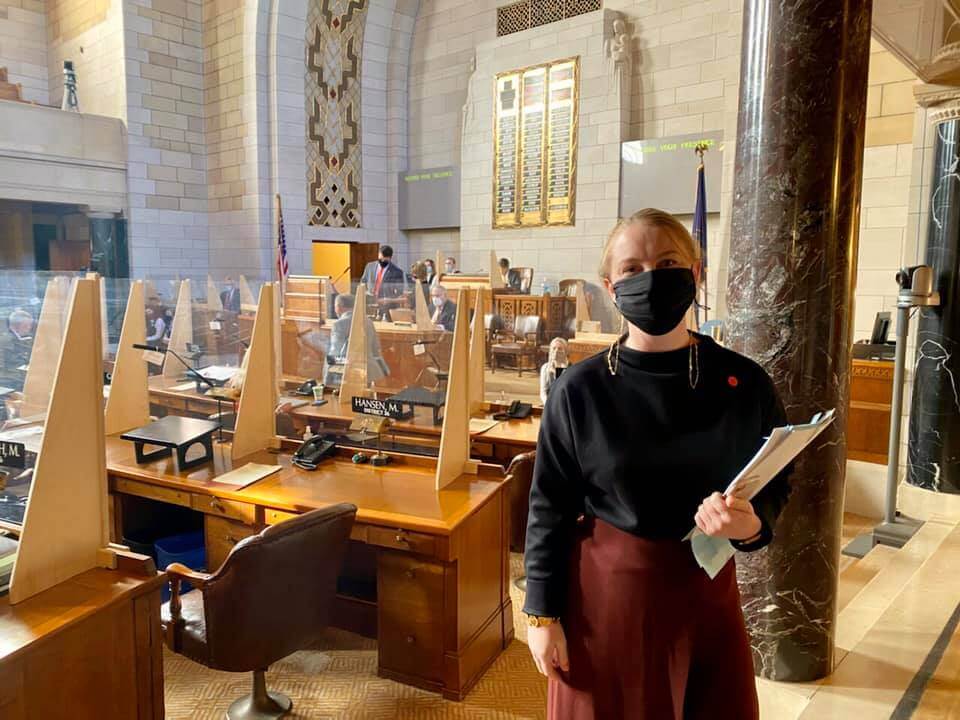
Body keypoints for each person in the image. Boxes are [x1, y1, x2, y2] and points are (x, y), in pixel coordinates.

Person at [523, 208, 792, 720]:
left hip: (706, 592)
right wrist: (541, 616)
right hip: (610, 598)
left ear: (695, 273)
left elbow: (777, 478)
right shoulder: (579, 390)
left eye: (667, 261)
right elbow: (549, 508)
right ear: (609, 285)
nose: (649, 277)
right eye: (631, 268)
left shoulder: (744, 383)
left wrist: (753, 523)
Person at [326, 294, 387, 384]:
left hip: (349, 373)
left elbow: (335, 353)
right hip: (369, 372)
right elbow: (376, 348)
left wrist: (327, 379)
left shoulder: (338, 324)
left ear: (338, 307)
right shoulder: (368, 321)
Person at [539, 337, 568, 404]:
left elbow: (562, 390)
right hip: (549, 404)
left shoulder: (570, 368)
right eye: (554, 348)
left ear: (565, 352)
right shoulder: (545, 367)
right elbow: (543, 392)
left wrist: (561, 368)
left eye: (560, 349)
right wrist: (547, 405)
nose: (556, 351)